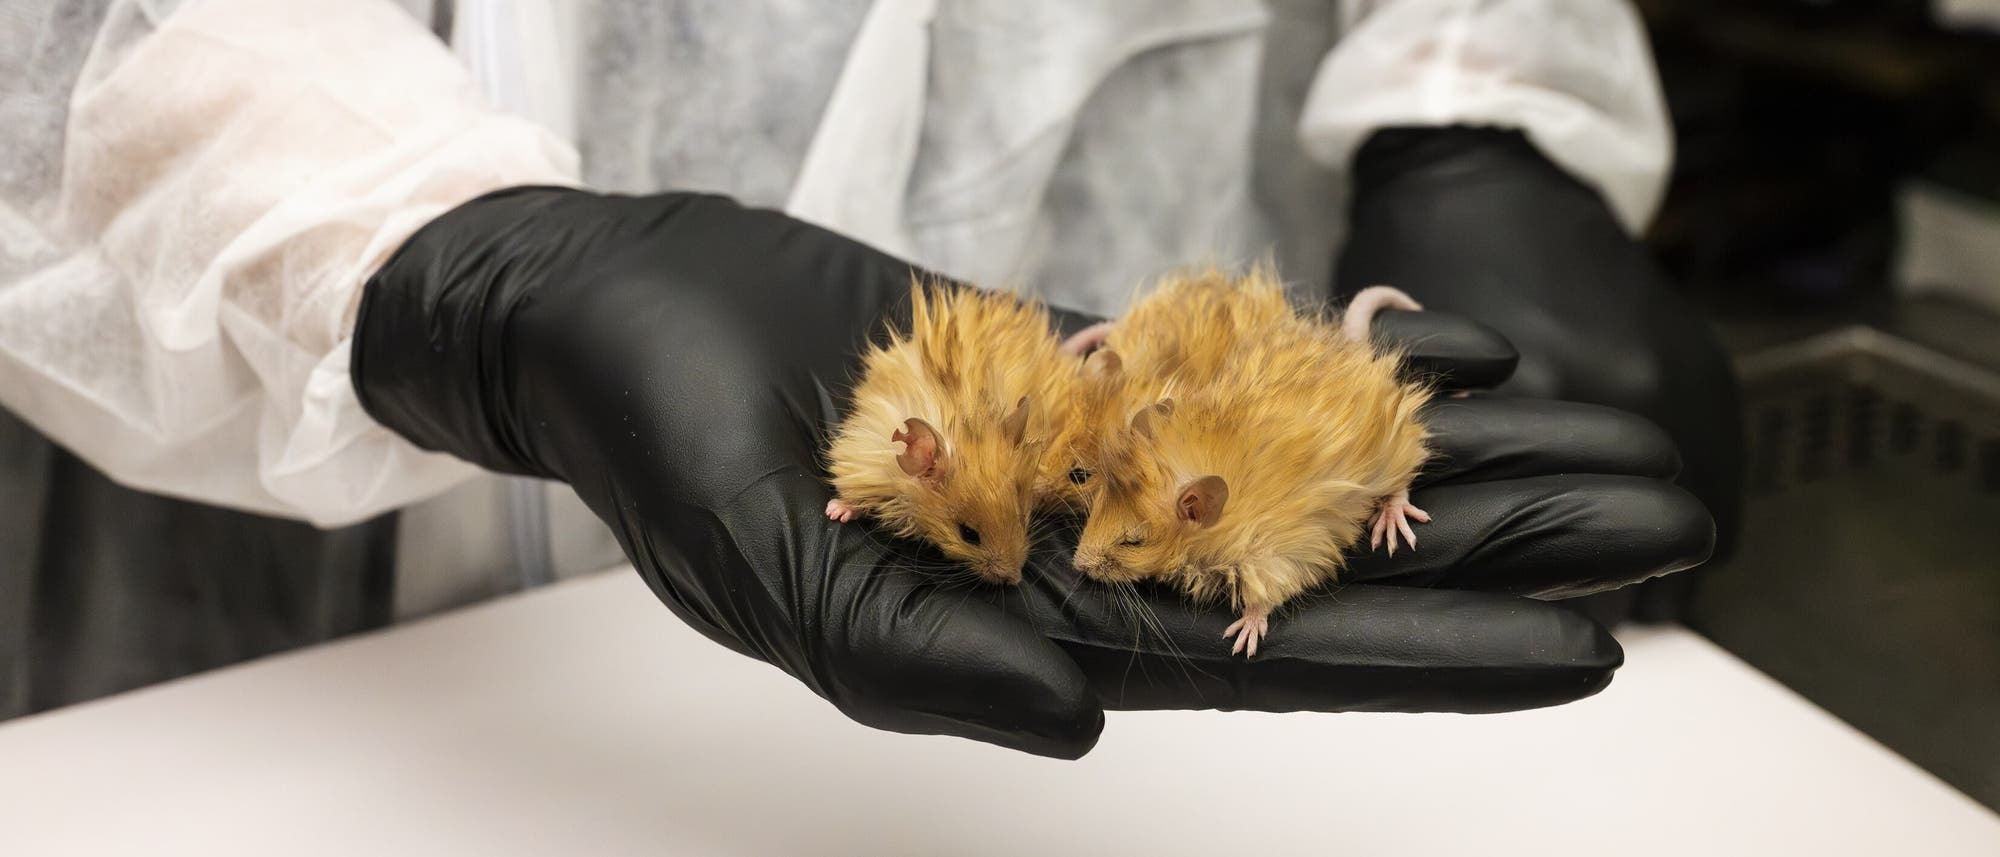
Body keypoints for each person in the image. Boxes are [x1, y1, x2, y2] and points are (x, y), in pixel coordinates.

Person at [0, 0, 1731, 757]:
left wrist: (1474, 89)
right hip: (328, 603)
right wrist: (431, 255)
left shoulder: (1140, 457)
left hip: (1174, 232)